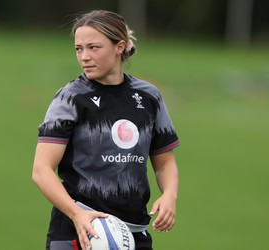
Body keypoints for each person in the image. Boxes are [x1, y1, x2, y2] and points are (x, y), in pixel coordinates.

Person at [32, 9, 180, 250]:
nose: (84, 57)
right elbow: (41, 170)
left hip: (133, 234)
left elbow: (164, 162)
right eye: (79, 49)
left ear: (119, 47)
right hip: (75, 230)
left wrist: (170, 195)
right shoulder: (70, 98)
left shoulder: (148, 96)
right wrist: (77, 214)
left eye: (94, 47)